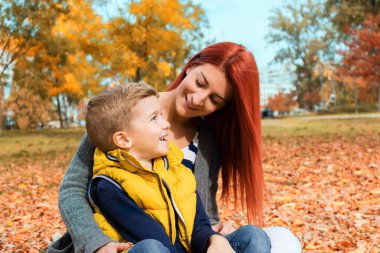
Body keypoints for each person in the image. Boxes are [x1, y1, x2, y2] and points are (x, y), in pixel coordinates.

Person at [48, 42, 301, 253]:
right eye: (201, 83)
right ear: (190, 66)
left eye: (215, 99)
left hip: (186, 242)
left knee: (273, 238)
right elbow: (72, 189)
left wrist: (217, 234)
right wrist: (96, 243)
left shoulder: (207, 141)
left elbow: (198, 207)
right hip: (127, 245)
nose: (198, 99)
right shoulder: (125, 110)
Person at [84, 82, 255, 253]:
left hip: (182, 249)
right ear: (124, 140)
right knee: (150, 248)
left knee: (252, 235)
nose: (166, 124)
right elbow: (154, 237)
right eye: (154, 118)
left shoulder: (176, 169)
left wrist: (214, 240)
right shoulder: (108, 186)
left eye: (161, 115)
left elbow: (198, 226)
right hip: (154, 249)